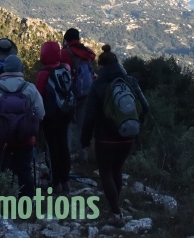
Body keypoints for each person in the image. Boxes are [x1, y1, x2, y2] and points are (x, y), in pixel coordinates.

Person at [80, 44, 149, 228]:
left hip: (105, 138)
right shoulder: (130, 81)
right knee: (117, 170)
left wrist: (85, 140)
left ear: (101, 66)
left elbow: (89, 116)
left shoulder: (97, 85)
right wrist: (137, 125)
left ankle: (116, 214)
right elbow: (145, 106)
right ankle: (115, 206)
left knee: (106, 173)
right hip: (128, 136)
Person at [0, 54, 45, 198]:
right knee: (25, 170)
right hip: (26, 139)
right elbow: (41, 113)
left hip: (3, 140)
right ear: (20, 68)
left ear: (4, 69)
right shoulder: (30, 88)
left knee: (4, 170)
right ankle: (26, 202)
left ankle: (5, 200)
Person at [35, 41, 74, 194]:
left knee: (52, 148)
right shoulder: (65, 68)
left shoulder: (44, 73)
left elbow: (38, 96)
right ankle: (66, 182)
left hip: (50, 116)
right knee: (63, 146)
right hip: (65, 113)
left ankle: (56, 183)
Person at [60, 28, 97, 161]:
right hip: (86, 93)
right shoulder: (87, 52)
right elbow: (93, 56)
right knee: (81, 125)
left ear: (67, 39)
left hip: (71, 93)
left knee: (68, 125)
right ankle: (83, 155)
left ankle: (66, 156)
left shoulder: (66, 53)